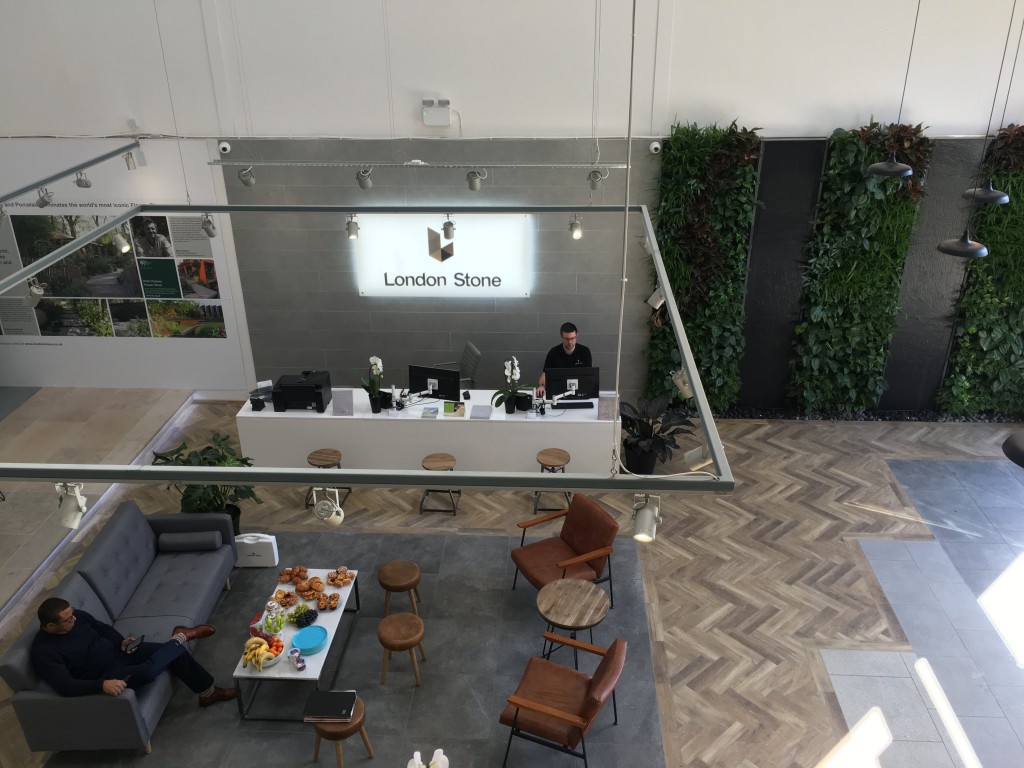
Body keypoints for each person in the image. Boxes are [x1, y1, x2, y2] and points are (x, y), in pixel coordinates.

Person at [30, 597, 236, 708]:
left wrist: (121, 641)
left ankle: (208, 693)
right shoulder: (44, 652)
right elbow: (65, 686)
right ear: (50, 626)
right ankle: (181, 636)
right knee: (148, 672)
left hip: (122, 653)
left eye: (73, 614)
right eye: (68, 620)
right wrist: (101, 684)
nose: (74, 620)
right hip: (107, 675)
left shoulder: (77, 617)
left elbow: (102, 628)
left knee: (170, 651)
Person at [536, 321, 592, 398]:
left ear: (577, 335)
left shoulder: (585, 351)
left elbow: (589, 375)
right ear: (561, 337)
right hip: (558, 392)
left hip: (580, 391)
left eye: (573, 338)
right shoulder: (553, 352)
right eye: (566, 339)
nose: (570, 342)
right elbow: (545, 374)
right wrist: (541, 386)